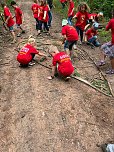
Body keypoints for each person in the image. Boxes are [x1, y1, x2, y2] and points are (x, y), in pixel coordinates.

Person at [98, 10, 114, 74]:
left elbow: (106, 28)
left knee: (111, 55)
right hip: (112, 41)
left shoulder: (112, 21)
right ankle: (102, 61)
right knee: (103, 46)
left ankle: (113, 70)